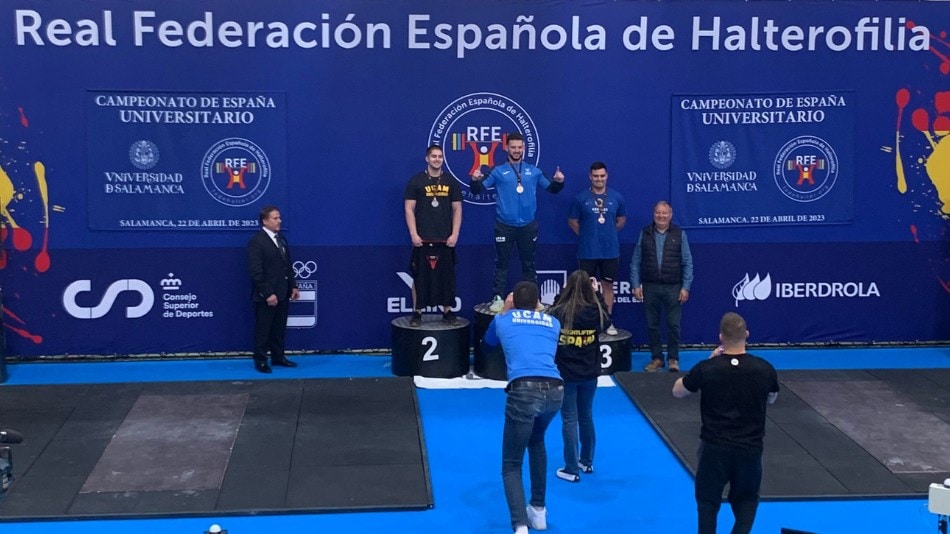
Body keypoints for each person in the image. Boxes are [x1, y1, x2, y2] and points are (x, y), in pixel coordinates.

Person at [672, 312, 779, 534]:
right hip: (749, 449)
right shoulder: (765, 369)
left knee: (707, 503)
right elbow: (772, 397)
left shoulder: (706, 368)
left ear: (720, 337)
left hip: (714, 448)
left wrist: (710, 363)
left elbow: (678, 391)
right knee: (747, 500)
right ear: (746, 334)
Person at [483, 281, 563, 534]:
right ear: (538, 302)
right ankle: (538, 511)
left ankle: (520, 525)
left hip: (523, 392)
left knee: (511, 463)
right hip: (555, 391)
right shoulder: (553, 323)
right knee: (537, 441)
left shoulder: (503, 320)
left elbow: (488, 342)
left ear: (513, 301)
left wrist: (505, 310)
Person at [471, 133, 565, 313]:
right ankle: (498, 298)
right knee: (502, 263)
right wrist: (475, 180)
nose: (516, 150)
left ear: (524, 148)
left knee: (529, 264)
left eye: (519, 147)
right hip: (504, 225)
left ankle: (534, 300)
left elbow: (552, 189)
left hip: (528, 226)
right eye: (513, 147)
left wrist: (560, 182)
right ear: (506, 148)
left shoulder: (534, 171)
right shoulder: (497, 171)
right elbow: (477, 190)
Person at [547, 270, 611, 483]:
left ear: (567, 288)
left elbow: (553, 310)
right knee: (586, 416)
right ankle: (587, 461)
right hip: (589, 374)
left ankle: (571, 468)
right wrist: (598, 294)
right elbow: (606, 319)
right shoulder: (595, 311)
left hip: (566, 374)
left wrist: (562, 294)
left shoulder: (559, 312)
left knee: (569, 419)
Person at [630, 201, 693, 372]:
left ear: (670, 215)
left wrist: (685, 287)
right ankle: (657, 358)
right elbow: (636, 261)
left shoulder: (679, 234)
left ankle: (673, 358)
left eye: (665, 213)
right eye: (658, 212)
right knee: (652, 325)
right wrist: (636, 284)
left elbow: (687, 262)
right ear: (653, 214)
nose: (661, 216)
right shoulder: (645, 233)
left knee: (673, 325)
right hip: (650, 286)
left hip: (673, 287)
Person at [403, 144, 463, 326]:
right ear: (427, 159)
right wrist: (413, 234)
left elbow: (458, 209)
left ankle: (447, 311)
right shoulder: (416, 181)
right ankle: (417, 312)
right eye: (434, 156)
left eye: (440, 157)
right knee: (419, 276)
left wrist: (455, 234)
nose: (437, 159)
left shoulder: (451, 182)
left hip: (445, 239)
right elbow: (408, 208)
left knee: (446, 277)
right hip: (422, 239)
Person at [567, 161, 626, 335]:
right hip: (587, 251)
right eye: (595, 176)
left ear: (606, 176)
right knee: (586, 287)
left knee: (607, 286)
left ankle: (607, 322)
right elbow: (572, 221)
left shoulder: (617, 197)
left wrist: (607, 233)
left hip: (610, 251)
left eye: (602, 176)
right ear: (590, 177)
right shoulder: (580, 198)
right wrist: (588, 235)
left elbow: (621, 220)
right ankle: (589, 322)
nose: (599, 179)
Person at [247, 205, 300, 374]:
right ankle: (261, 360)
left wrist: (293, 286)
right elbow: (256, 271)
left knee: (279, 328)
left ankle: (278, 357)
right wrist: (268, 293)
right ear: (265, 221)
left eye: (279, 218)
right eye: (275, 218)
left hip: (283, 292)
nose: (279, 221)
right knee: (263, 329)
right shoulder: (257, 242)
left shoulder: (281, 239)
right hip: (266, 296)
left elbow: (287, 265)